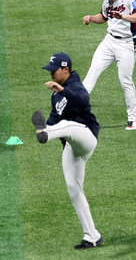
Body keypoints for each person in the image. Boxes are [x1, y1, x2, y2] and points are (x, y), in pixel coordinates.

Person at [31, 53, 103, 250]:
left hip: (86, 136)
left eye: (54, 69)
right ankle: (92, 235)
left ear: (65, 69)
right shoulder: (55, 95)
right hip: (71, 146)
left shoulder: (75, 86)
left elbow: (83, 101)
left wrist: (64, 90)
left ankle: (46, 134)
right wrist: (46, 125)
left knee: (67, 125)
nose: (51, 73)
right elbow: (54, 117)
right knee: (74, 190)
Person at [82, 0, 136, 130]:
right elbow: (103, 17)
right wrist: (90, 17)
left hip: (127, 43)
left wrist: (123, 16)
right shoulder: (108, 0)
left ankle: (133, 119)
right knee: (91, 74)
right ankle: (76, 116)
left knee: (125, 80)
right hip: (109, 42)